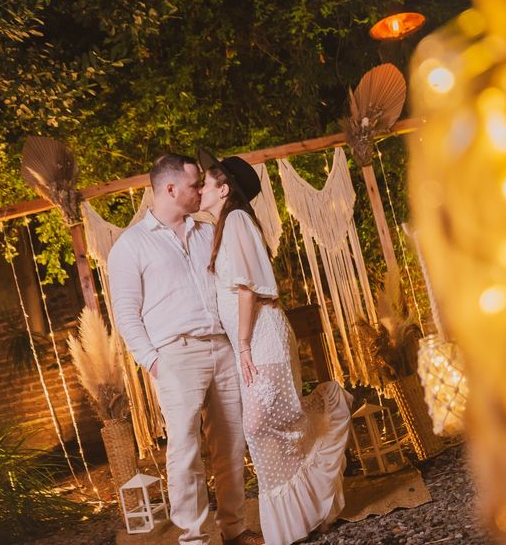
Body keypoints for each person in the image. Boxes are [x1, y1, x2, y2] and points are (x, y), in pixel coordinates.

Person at [196, 148, 352, 545]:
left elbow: (247, 289)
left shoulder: (235, 222)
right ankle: (302, 517)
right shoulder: (223, 227)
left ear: (224, 189)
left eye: (205, 183)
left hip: (262, 337)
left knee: (260, 422)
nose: (199, 189)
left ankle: (327, 424)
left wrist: (244, 347)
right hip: (252, 340)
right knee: (267, 426)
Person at [107, 153, 263, 545]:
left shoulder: (209, 231)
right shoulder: (130, 246)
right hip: (175, 355)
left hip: (223, 348)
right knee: (185, 450)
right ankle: (194, 538)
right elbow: (125, 314)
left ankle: (234, 528)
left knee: (230, 444)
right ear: (170, 188)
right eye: (195, 185)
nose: (200, 191)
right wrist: (155, 362)